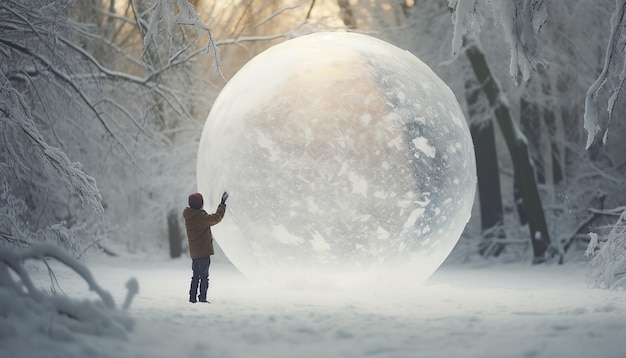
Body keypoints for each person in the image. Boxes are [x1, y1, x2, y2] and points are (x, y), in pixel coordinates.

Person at [183, 191, 228, 303]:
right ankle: (202, 298)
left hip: (195, 252)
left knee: (195, 276)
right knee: (204, 277)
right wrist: (222, 204)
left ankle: (192, 297)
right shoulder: (200, 217)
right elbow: (216, 218)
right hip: (203, 252)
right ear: (200, 204)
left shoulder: (189, 216)